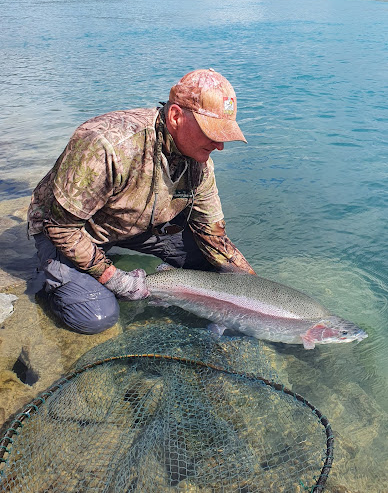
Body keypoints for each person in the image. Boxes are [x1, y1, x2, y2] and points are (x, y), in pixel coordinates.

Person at [27, 68, 255, 334]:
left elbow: (213, 235)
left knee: (218, 270)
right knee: (96, 317)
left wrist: (254, 288)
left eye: (224, 134)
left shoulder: (200, 164)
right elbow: (61, 227)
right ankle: (54, 284)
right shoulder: (106, 145)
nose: (220, 146)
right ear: (176, 116)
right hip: (71, 230)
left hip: (135, 225)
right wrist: (113, 278)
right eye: (212, 132)